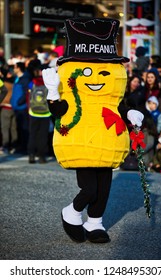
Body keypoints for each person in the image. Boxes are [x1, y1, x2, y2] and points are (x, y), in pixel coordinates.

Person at [42, 18, 144, 243]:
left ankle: (95, 222)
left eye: (104, 71)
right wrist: (52, 91)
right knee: (89, 189)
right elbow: (59, 111)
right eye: (87, 71)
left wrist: (129, 113)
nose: (97, 77)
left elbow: (115, 105)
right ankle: (72, 212)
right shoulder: (72, 93)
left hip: (107, 142)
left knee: (104, 188)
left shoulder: (110, 94)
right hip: (82, 142)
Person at [27, 67, 51, 163]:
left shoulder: (32, 83)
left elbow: (28, 96)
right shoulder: (48, 83)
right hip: (45, 113)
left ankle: (31, 155)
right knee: (43, 135)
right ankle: (42, 156)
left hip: (33, 112)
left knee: (32, 134)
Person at [10, 62, 30, 154]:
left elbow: (26, 93)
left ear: (19, 68)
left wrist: (19, 101)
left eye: (15, 67)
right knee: (18, 127)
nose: (13, 69)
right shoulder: (16, 78)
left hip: (22, 107)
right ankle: (20, 146)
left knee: (24, 128)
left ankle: (24, 147)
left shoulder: (25, 79)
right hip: (16, 108)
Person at [0, 71, 18, 154]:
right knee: (13, 128)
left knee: (5, 128)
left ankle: (5, 146)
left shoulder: (4, 84)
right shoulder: (15, 84)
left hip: (5, 107)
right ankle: (14, 146)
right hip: (14, 108)